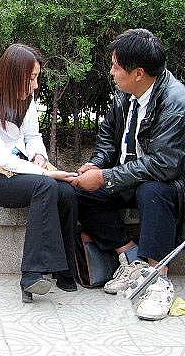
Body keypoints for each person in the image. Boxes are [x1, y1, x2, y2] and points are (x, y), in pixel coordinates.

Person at [71, 29, 185, 321]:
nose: (111, 72)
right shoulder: (126, 95)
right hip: (129, 178)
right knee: (78, 190)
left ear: (138, 73)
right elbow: (108, 139)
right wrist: (96, 165)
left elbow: (164, 165)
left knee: (153, 190)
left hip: (169, 185)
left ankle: (157, 278)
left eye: (116, 67)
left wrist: (108, 177)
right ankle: (133, 260)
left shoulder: (176, 102)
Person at [0, 44, 78, 303]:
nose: (35, 85)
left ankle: (64, 270)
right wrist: (45, 174)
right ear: (13, 75)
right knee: (46, 186)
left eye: (37, 77)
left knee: (68, 191)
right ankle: (31, 275)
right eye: (32, 78)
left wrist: (40, 157)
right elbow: (0, 157)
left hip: (25, 171)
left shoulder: (27, 99)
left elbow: (33, 137)